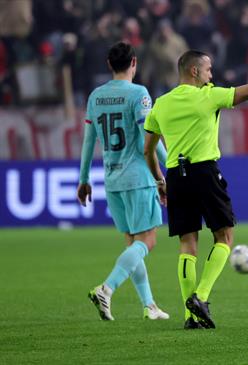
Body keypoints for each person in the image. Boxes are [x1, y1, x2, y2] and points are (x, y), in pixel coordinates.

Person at [143, 49, 248, 329]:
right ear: (195, 71)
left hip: (176, 175)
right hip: (204, 171)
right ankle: (202, 297)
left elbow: (148, 150)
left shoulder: (161, 104)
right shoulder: (209, 96)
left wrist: (160, 180)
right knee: (224, 236)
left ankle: (190, 317)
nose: (212, 74)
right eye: (208, 70)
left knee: (187, 243)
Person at [77, 41, 169, 321]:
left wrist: (83, 179)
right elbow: (148, 139)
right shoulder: (139, 94)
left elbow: (89, 140)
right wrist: (167, 169)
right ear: (134, 63)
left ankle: (149, 305)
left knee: (133, 243)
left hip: (111, 178)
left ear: (108, 64)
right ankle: (107, 287)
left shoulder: (95, 96)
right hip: (138, 177)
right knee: (148, 240)